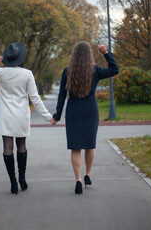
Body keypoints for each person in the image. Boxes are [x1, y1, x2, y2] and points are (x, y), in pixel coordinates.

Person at [0, 42, 54, 195]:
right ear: (21, 58)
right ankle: (22, 179)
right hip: (21, 114)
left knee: (7, 147)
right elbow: (35, 98)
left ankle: (13, 182)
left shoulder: (1, 72)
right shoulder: (27, 74)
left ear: (7, 58)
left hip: (5, 114)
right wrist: (49, 118)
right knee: (21, 145)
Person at [51, 41, 119, 195]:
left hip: (73, 112)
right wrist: (106, 53)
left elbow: (62, 95)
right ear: (90, 55)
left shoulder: (67, 71)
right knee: (90, 145)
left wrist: (57, 116)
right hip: (90, 111)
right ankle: (88, 174)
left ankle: (78, 180)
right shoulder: (95, 70)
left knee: (75, 147)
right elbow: (115, 70)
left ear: (74, 55)